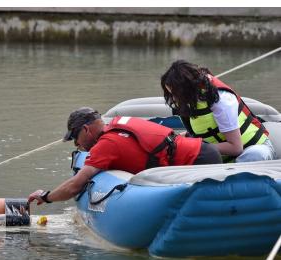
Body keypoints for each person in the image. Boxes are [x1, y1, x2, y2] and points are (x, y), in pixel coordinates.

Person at [28, 107, 222, 205]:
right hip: (205, 150)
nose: (77, 145)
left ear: (86, 130)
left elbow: (75, 185)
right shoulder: (117, 126)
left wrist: (46, 196)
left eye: (75, 138)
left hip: (198, 161)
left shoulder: (106, 145)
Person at [161, 60, 277, 163]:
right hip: (220, 157)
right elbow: (200, 132)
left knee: (254, 155)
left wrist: (196, 147)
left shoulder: (222, 99)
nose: (174, 98)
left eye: (175, 93)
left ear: (187, 88)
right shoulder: (192, 100)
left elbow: (236, 148)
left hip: (251, 149)